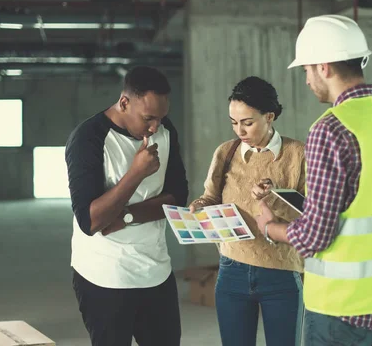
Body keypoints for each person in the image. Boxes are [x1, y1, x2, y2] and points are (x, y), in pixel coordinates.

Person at [254, 15, 372, 346]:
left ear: (323, 67)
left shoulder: (331, 129)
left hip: (345, 307)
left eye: (306, 69)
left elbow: (315, 237)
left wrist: (270, 226)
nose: (306, 80)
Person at [65, 66, 188, 346]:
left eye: (161, 118)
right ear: (124, 103)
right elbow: (91, 221)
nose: (155, 126)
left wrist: (126, 216)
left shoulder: (166, 132)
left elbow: (178, 196)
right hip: (105, 275)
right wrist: (136, 173)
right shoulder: (88, 138)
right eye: (148, 118)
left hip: (156, 272)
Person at [189, 76, 306, 346]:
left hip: (281, 272)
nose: (239, 130)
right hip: (231, 270)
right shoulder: (225, 152)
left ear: (270, 116)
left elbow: (309, 217)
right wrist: (199, 207)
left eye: (247, 122)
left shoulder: (299, 154)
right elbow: (210, 197)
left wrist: (273, 197)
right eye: (234, 122)